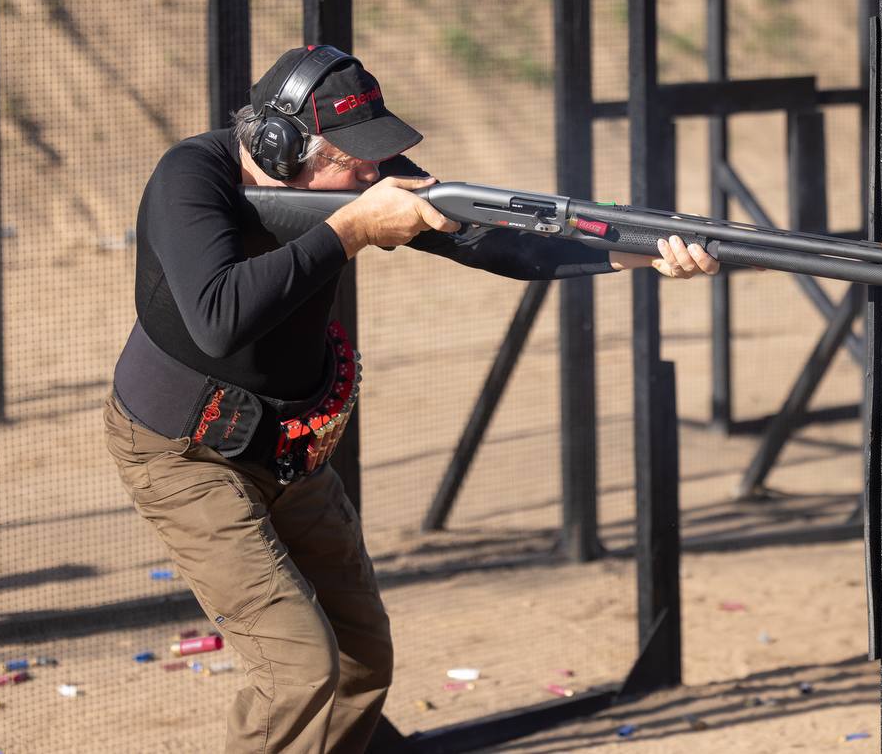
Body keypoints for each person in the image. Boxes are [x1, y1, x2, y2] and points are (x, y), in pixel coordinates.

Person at [102, 44, 718, 754]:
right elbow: (218, 317)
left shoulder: (354, 180)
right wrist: (352, 229)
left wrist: (636, 249)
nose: (372, 171)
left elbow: (499, 244)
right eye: (353, 156)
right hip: (183, 453)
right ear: (280, 146)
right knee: (298, 668)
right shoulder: (190, 176)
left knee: (363, 657)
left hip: (288, 452)